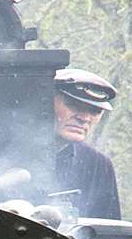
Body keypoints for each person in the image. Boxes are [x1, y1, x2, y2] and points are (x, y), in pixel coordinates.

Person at [50, 67, 122, 220]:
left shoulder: (98, 165)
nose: (84, 118)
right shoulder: (1, 151)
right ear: (46, 101)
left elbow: (106, 236)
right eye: (73, 105)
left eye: (95, 111)